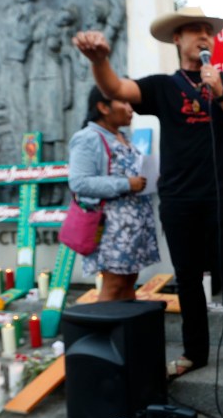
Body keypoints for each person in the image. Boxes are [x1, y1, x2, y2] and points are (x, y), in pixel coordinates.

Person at [72, 6, 223, 387]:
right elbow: (116, 89)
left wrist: (221, 93)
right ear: (177, 39)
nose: (203, 37)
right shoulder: (162, 87)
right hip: (179, 201)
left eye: (208, 31)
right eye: (194, 31)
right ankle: (194, 352)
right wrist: (100, 61)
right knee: (188, 279)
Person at [67, 86, 158, 301]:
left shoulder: (122, 136)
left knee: (128, 282)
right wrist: (125, 184)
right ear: (103, 107)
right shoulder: (88, 138)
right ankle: (104, 334)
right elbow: (79, 182)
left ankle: (125, 334)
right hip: (111, 229)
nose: (131, 109)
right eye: (124, 103)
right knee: (114, 285)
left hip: (132, 228)